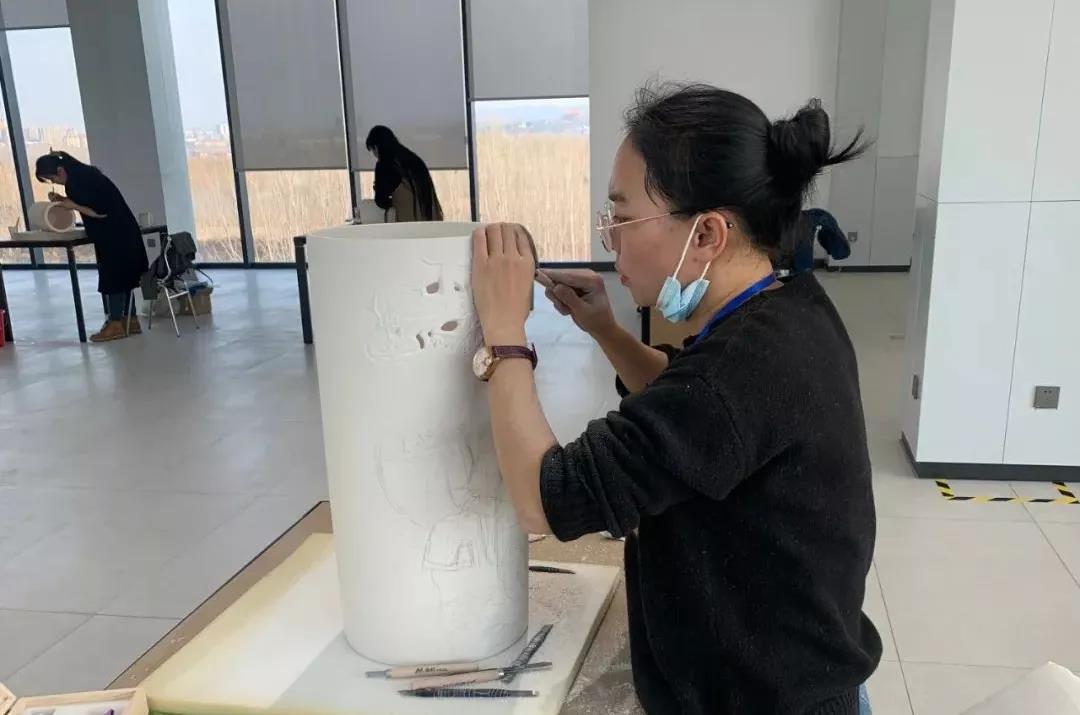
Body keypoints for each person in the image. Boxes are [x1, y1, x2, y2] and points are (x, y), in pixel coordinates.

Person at [469, 83, 881, 713]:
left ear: (708, 233)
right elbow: (698, 418)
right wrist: (605, 330)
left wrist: (503, 335)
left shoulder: (740, 371)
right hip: (798, 677)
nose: (610, 238)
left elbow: (545, 501)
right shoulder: (789, 309)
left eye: (622, 217)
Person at [35, 151, 149, 342]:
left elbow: (99, 213)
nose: (55, 182)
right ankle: (130, 320)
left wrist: (73, 205)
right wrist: (65, 201)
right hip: (125, 231)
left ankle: (115, 325)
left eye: (53, 179)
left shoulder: (76, 182)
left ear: (60, 170)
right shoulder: (85, 174)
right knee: (125, 276)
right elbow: (91, 202)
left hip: (114, 235)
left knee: (114, 278)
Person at [365, 125, 444, 222]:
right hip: (430, 220)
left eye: (373, 150)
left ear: (376, 147)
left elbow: (381, 200)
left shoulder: (385, 164)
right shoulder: (414, 159)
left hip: (407, 223)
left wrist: (378, 188)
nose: (374, 155)